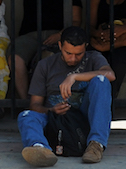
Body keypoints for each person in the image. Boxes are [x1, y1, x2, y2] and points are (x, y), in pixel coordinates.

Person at [17, 26, 115, 167]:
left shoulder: (93, 58)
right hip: (55, 120)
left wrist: (74, 77)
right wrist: (51, 110)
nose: (73, 59)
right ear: (60, 45)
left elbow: (110, 75)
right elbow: (34, 105)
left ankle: (96, 145)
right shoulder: (45, 65)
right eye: (68, 53)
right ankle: (40, 148)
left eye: (79, 54)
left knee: (101, 81)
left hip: (83, 119)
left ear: (86, 47)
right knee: (26, 116)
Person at [12, 0, 83, 100]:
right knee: (15, 57)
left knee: (47, 59)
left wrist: (60, 35)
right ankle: (28, 102)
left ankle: (44, 102)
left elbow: (76, 21)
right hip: (30, 36)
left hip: (57, 36)